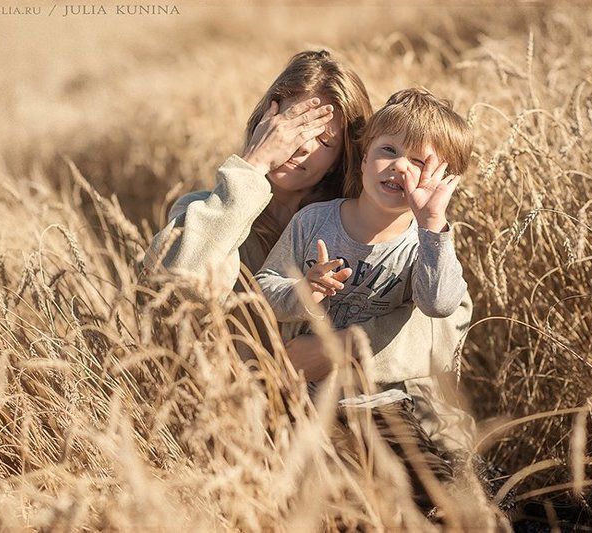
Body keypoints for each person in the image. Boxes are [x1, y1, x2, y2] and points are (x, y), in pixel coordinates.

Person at [144, 50, 477, 511]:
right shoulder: (211, 210)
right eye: (290, 128)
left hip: (376, 408)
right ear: (264, 121)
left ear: (349, 153)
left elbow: (445, 322)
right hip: (252, 415)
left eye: (322, 139)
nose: (299, 148)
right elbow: (173, 283)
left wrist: (338, 348)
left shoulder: (367, 219)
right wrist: (251, 169)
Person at [254, 87, 475, 516]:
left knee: (442, 503)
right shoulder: (314, 221)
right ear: (364, 150)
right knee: (326, 504)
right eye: (388, 150)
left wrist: (433, 226)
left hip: (384, 407)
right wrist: (303, 294)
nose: (399, 168)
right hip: (305, 400)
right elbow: (264, 286)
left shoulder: (423, 244)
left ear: (444, 178)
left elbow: (440, 305)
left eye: (419, 162)